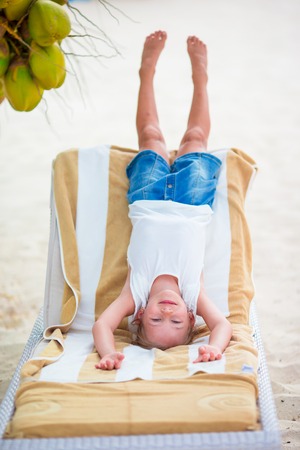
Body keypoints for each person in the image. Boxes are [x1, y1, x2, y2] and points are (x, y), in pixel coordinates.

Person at [93, 30, 232, 370]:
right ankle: (200, 78)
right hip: (192, 201)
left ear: (139, 315)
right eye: (177, 322)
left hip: (147, 198)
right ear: (190, 314)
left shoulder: (135, 295)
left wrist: (109, 352)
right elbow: (223, 326)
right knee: (196, 138)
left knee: (151, 136)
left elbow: (102, 325)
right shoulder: (191, 295)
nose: (167, 313)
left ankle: (147, 72)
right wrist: (213, 349)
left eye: (157, 322)